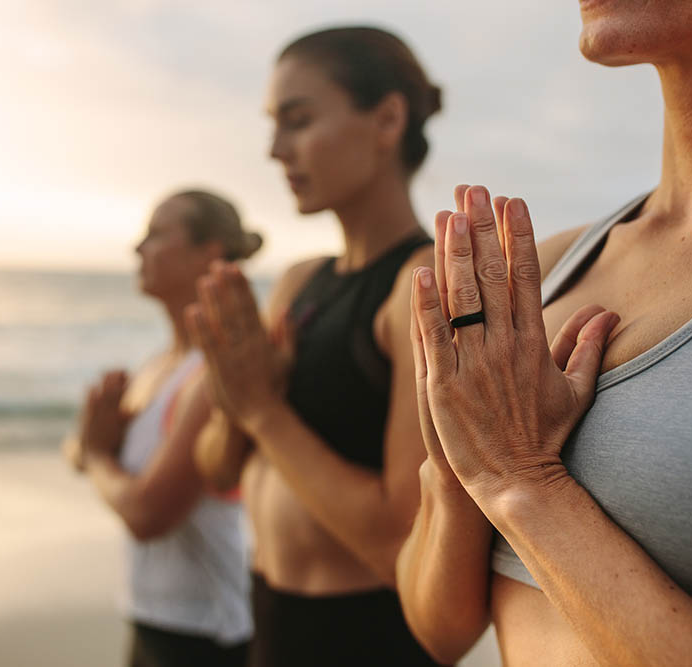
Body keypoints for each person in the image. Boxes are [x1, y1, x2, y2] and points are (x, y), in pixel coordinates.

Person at [399, 2, 692, 664]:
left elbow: (511, 479)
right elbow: (441, 627)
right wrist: (458, 470)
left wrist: (521, 481)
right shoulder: (549, 265)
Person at [187, 27, 460, 666]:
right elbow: (221, 470)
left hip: (366, 638)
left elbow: (403, 539)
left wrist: (263, 412)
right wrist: (239, 400)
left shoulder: (421, 286)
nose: (277, 150)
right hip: (270, 620)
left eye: (299, 121)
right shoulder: (297, 283)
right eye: (273, 126)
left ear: (388, 119)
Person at [64, 190, 262, 667]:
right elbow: (81, 449)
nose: (138, 249)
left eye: (156, 234)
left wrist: (96, 455)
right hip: (150, 618)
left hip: (207, 635)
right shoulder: (158, 366)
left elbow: (147, 513)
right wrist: (93, 447)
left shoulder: (211, 374)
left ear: (209, 252)